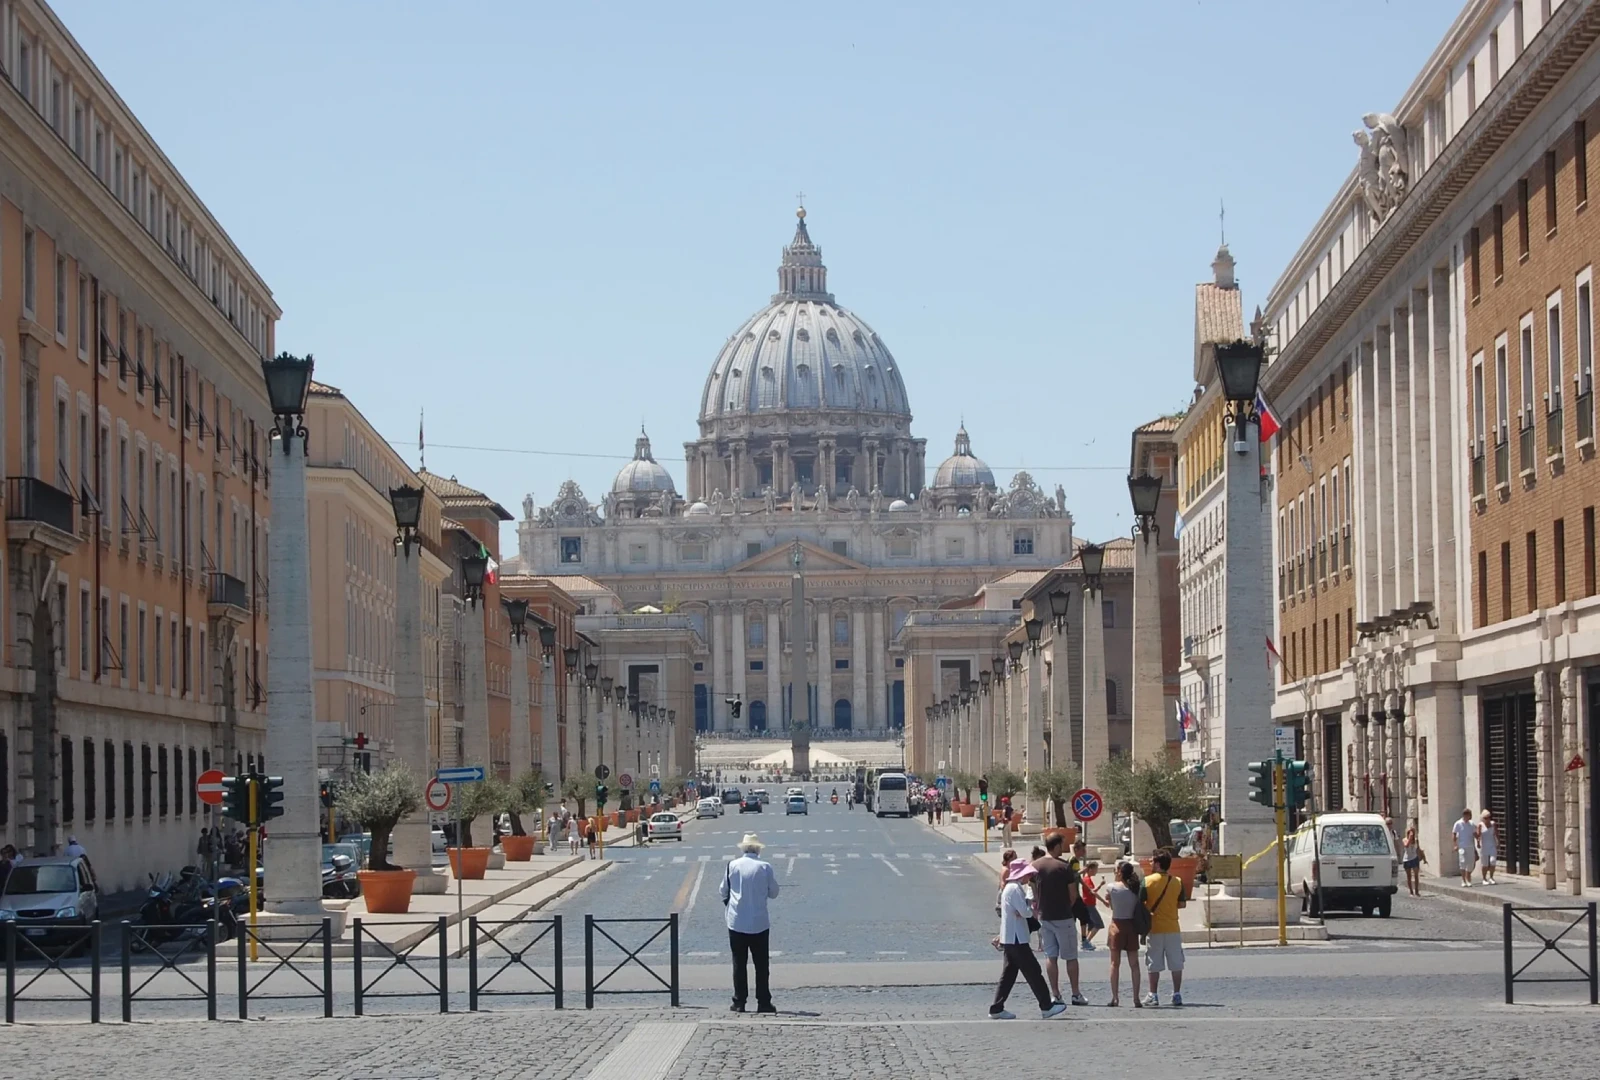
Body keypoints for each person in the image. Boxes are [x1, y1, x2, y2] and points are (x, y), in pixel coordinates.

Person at [989, 859, 1068, 1020]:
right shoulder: (1015, 889)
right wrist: (1030, 907)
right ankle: (1046, 1006)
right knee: (1033, 972)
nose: (1029, 877)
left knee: (1009, 975)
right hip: (1017, 939)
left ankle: (997, 1007)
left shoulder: (1010, 889)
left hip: (1012, 938)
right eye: (1028, 874)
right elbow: (1025, 912)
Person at [719, 833, 781, 1014]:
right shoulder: (765, 867)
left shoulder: (732, 865)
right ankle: (763, 1002)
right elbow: (774, 893)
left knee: (739, 963)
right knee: (761, 965)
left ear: (743, 848)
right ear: (758, 849)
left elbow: (723, 890)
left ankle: (739, 1002)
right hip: (759, 922)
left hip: (736, 921)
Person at [1032, 833, 1088, 1008]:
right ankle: (1075, 993)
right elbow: (1073, 895)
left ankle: (1055, 994)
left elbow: (1034, 892)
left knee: (1051, 956)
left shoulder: (1035, 866)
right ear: (1056, 846)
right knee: (1071, 957)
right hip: (1063, 916)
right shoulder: (1064, 867)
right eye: (1062, 844)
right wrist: (1067, 907)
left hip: (1045, 916)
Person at [1142, 850, 1186, 1007]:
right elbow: (1182, 904)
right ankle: (1177, 994)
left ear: (1158, 864)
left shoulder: (1146, 881)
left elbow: (1141, 904)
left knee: (1153, 963)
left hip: (1154, 928)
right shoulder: (1178, 881)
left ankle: (1153, 994)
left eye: (1152, 861)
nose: (1150, 863)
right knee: (1176, 962)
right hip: (1173, 926)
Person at [1104, 861, 1144, 1007]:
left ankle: (1115, 997)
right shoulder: (1135, 889)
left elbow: (1111, 905)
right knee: (1134, 964)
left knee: (1115, 964)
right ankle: (1136, 998)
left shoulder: (1112, 887)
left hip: (1117, 925)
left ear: (1120, 871)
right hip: (1131, 926)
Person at [1079, 860, 1105, 950]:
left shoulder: (1087, 879)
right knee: (1098, 924)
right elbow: (1092, 892)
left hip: (1089, 904)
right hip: (1089, 904)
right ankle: (1086, 942)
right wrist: (1103, 901)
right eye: (1095, 869)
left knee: (1091, 925)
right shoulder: (1087, 879)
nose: (1096, 871)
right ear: (1090, 869)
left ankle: (1086, 942)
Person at [1452, 808, 1478, 887]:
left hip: (1470, 846)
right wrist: (1455, 845)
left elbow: (1475, 834)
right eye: (1468, 815)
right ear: (1464, 815)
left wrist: (1479, 839)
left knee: (1471, 863)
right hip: (1462, 847)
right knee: (1462, 862)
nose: (1469, 817)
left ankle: (1468, 878)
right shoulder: (1458, 823)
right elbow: (1454, 834)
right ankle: (1463, 880)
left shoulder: (1471, 824)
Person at [1400, 826, 1426, 897]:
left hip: (1414, 858)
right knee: (1409, 876)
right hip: (1407, 859)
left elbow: (1418, 849)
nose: (1411, 834)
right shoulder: (1404, 839)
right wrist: (1410, 838)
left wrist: (1423, 857)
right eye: (1410, 832)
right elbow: (1406, 846)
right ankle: (1411, 891)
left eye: (1413, 832)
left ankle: (1417, 891)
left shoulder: (1416, 840)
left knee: (1416, 875)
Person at [1478, 810, 1499, 885]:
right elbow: (1479, 835)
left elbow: (1496, 833)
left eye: (1489, 817)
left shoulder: (1493, 824)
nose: (1487, 819)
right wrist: (1478, 843)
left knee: (1492, 861)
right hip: (1484, 846)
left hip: (1492, 845)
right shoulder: (1480, 825)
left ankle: (1491, 877)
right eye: (1486, 818)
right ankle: (1484, 878)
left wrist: (1498, 842)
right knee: (1485, 864)